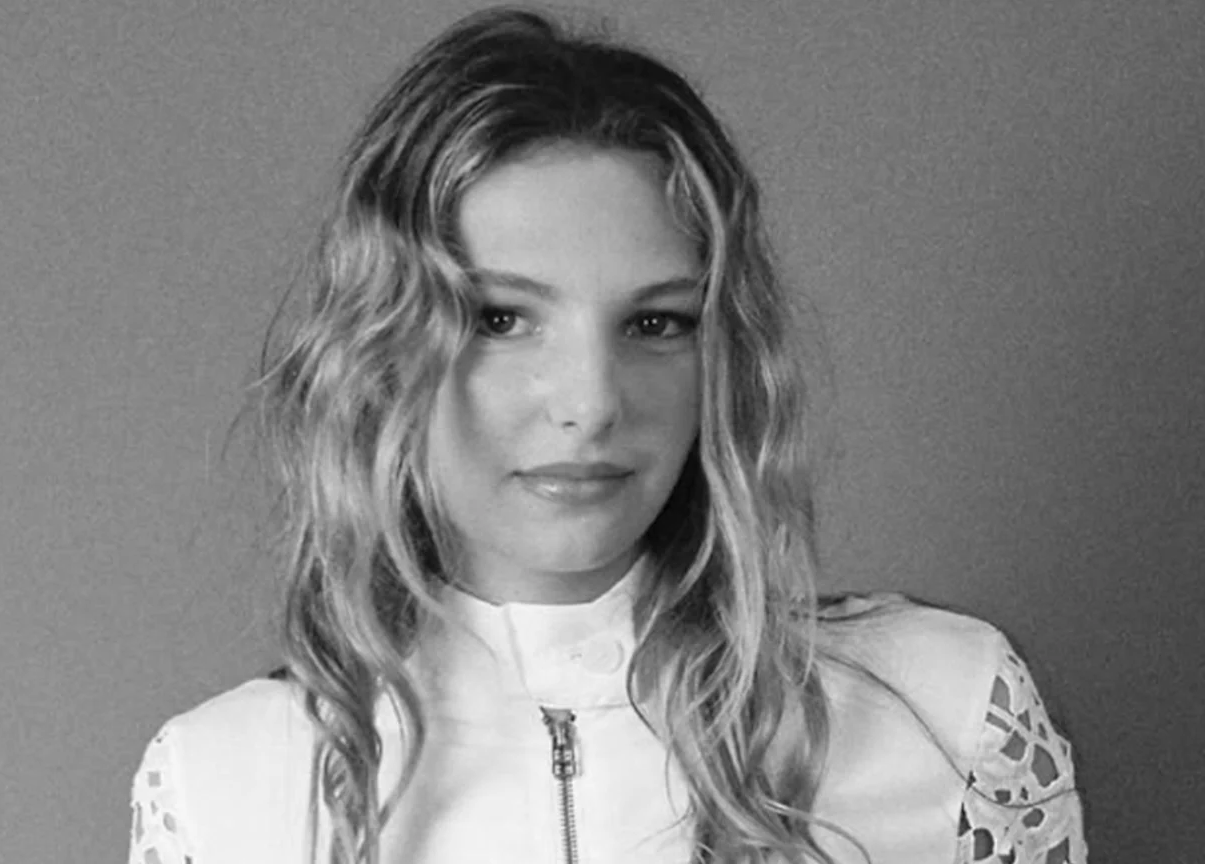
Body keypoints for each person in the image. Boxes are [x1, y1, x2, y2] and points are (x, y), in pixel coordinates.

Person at [127, 7, 1086, 863]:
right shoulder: (221, 786)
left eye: (657, 322)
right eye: (500, 318)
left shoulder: (944, 711)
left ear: (726, 353)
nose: (590, 402)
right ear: (377, 347)